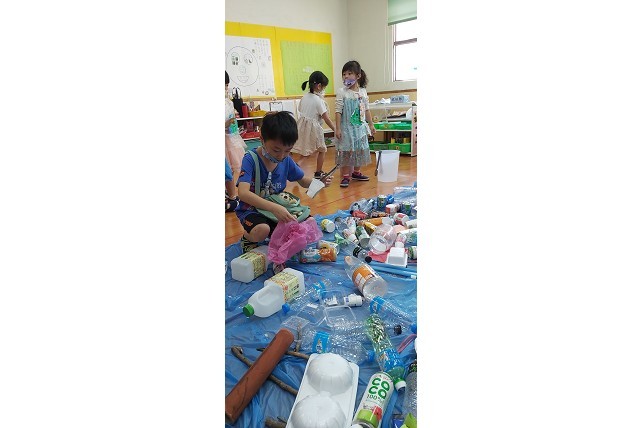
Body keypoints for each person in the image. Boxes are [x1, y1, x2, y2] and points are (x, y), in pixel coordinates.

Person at [235, 111, 333, 252]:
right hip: (252, 209)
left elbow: (302, 181)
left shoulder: (286, 160)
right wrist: (274, 208)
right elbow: (243, 193)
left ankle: (274, 230)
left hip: (277, 208)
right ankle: (247, 237)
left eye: (287, 151)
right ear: (262, 139)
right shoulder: (250, 159)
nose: (281, 156)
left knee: (309, 223)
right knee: (261, 230)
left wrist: (319, 183)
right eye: (276, 150)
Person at [334, 60, 376, 188]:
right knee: (346, 151)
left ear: (358, 76)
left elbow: (367, 109)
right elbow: (338, 111)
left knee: (360, 149)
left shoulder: (363, 91)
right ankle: (346, 176)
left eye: (349, 73)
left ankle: (356, 173)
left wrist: (371, 125)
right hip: (346, 128)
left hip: (360, 128)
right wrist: (338, 128)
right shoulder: (342, 92)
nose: (346, 76)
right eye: (344, 74)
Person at [291, 71, 336, 178]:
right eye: (324, 87)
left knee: (306, 151)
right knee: (322, 150)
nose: (324, 89)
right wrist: (335, 129)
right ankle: (317, 172)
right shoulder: (318, 100)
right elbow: (326, 118)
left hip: (301, 126)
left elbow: (300, 109)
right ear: (319, 86)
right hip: (313, 129)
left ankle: (295, 169)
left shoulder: (305, 97)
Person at [225, 71, 246, 206]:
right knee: (226, 167)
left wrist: (233, 126)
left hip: (231, 138)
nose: (225, 88)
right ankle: (230, 194)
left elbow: (232, 118)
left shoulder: (228, 102)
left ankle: (231, 193)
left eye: (226, 85)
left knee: (235, 166)